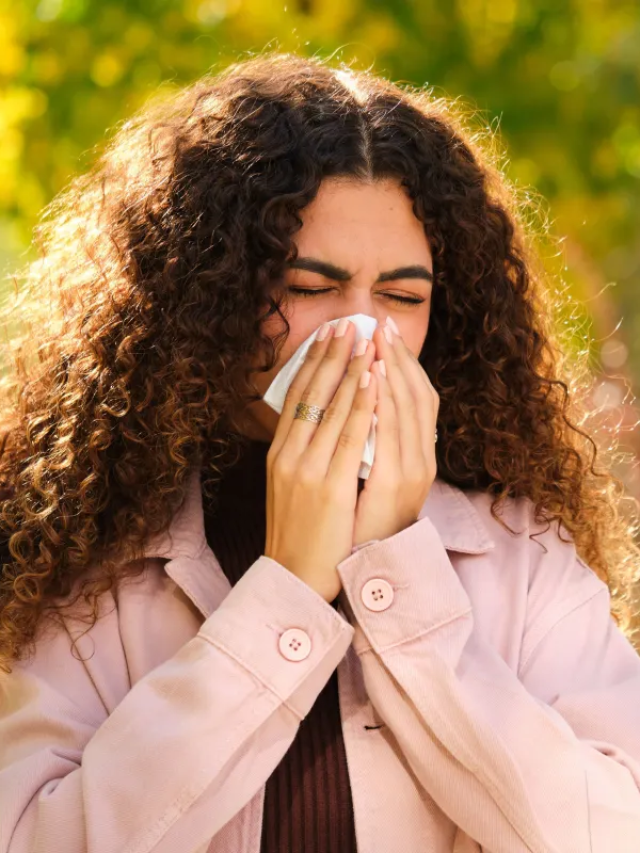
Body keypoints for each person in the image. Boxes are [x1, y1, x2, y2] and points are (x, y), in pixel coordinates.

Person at [0, 52, 639, 853]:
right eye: (309, 287)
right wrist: (288, 588)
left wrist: (399, 572)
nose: (361, 333)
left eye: (403, 297)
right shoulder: (86, 559)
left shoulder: (521, 553)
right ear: (212, 294)